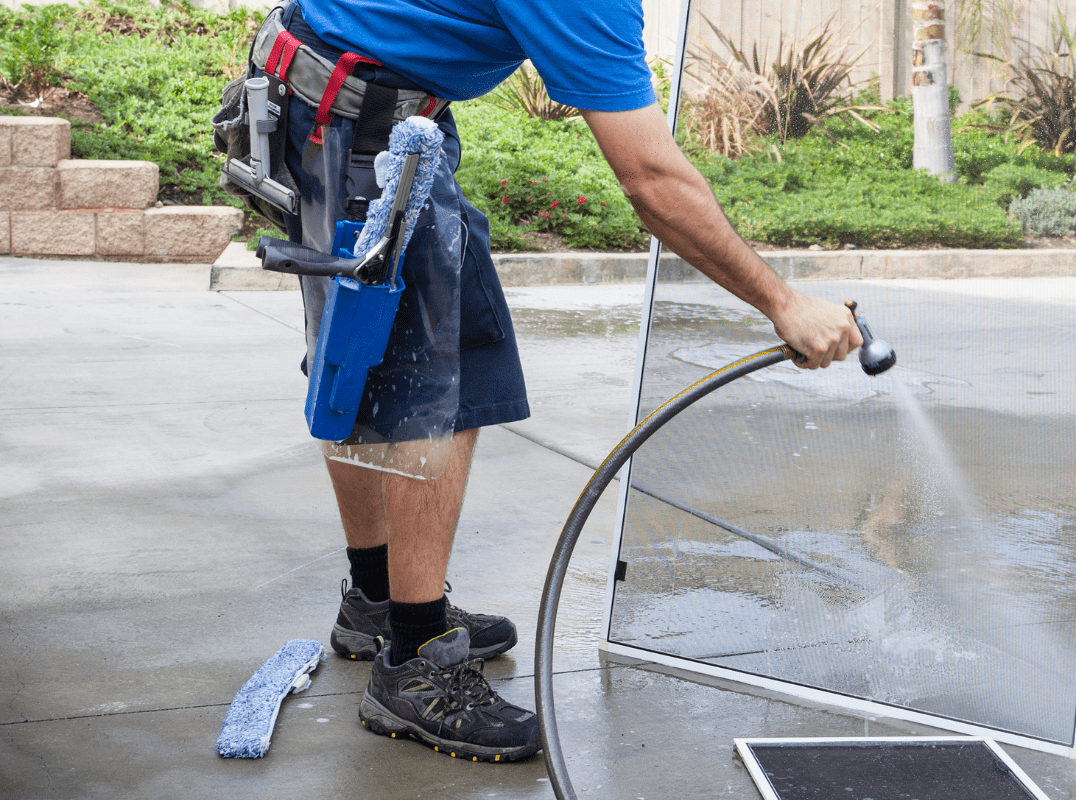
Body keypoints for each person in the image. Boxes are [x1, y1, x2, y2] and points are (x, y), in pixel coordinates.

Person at [260, 0, 862, 764]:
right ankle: (414, 662)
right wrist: (784, 303)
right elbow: (650, 180)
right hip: (358, 112)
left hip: (329, 92)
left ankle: (376, 602)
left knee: (364, 350)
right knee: (435, 372)